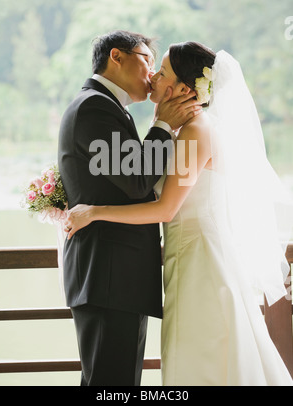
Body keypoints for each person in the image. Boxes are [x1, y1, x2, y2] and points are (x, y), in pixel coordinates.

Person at [64, 41, 293, 386]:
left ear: (184, 89)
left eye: (163, 71)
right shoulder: (184, 132)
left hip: (200, 260)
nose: (154, 76)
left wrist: (94, 212)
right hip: (187, 256)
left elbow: (165, 208)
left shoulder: (194, 134)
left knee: (204, 356)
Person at [57, 30, 201, 386]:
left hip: (114, 277)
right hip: (108, 277)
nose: (152, 74)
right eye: (148, 61)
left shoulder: (104, 107)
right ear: (117, 57)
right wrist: (164, 124)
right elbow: (137, 180)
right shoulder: (95, 106)